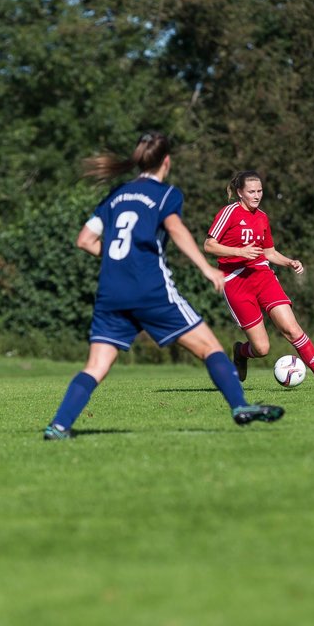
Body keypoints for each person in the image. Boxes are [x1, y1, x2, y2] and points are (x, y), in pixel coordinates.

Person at [43, 133, 284, 440]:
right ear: (166, 162)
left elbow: (84, 241)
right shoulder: (165, 194)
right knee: (209, 347)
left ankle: (59, 426)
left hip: (111, 291)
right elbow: (177, 230)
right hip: (149, 289)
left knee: (96, 365)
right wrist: (206, 268)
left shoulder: (116, 194)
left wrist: (120, 258)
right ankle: (239, 406)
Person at [204, 170, 314, 390]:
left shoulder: (262, 217)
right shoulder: (229, 213)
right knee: (262, 348)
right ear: (240, 192)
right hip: (236, 282)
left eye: (260, 191)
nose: (256, 196)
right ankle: (240, 352)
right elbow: (209, 245)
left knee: (291, 328)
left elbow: (269, 252)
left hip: (263, 276)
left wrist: (288, 262)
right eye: (251, 192)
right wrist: (239, 252)